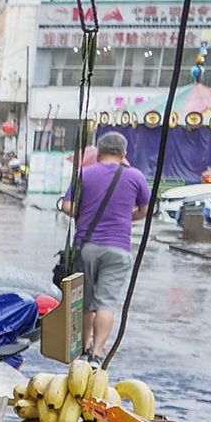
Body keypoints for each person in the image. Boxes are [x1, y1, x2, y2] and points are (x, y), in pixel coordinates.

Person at [59, 131, 151, 362]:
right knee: (106, 302)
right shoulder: (136, 176)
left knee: (86, 301)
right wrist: (126, 217)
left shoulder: (84, 174)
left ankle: (84, 344)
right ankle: (97, 353)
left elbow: (67, 206)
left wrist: (86, 215)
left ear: (98, 152)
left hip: (87, 246)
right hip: (119, 248)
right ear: (124, 154)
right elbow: (146, 210)